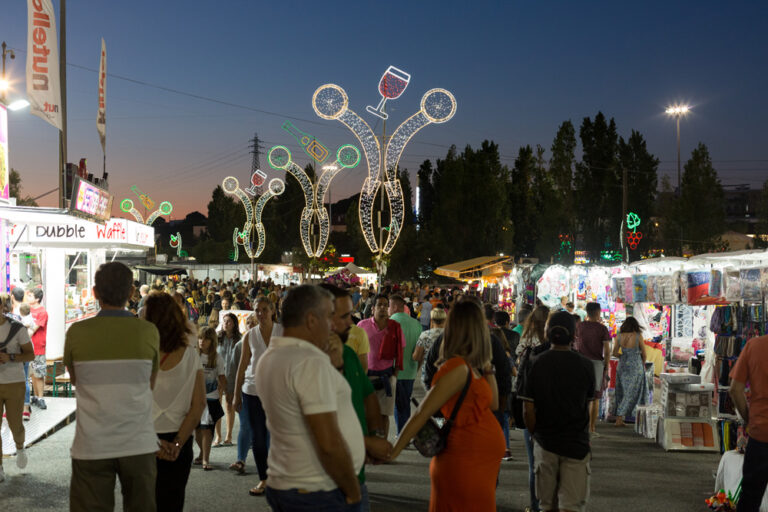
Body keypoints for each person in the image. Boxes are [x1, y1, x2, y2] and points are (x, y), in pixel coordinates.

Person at [256, 285, 364, 510]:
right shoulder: (309, 362)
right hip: (316, 490)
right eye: (328, 316)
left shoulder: (271, 357)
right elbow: (328, 443)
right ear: (312, 320)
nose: (332, 324)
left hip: (289, 483)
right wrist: (353, 491)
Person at [390, 300, 505, 511]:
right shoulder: (457, 368)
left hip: (477, 465)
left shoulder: (471, 367)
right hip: (464, 463)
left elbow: (494, 403)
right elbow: (423, 412)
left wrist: (487, 367)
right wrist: (394, 450)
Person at [64, 262, 161, 512]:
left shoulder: (76, 332)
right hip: (138, 442)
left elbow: (77, 381)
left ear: (95, 292)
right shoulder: (148, 332)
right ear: (131, 293)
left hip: (92, 443)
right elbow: (149, 383)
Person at [320, 284, 391, 512]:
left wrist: (374, 434)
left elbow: (367, 396)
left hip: (355, 476)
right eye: (343, 316)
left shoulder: (348, 353)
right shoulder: (305, 361)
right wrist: (367, 443)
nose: (350, 322)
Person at [520, 311, 595, 512]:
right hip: (576, 443)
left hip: (545, 442)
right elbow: (587, 406)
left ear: (547, 332)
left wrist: (536, 434)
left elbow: (528, 410)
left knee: (546, 506)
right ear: (573, 334)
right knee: (571, 505)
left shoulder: (535, 363)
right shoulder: (586, 365)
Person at [145, 292, 206, 511]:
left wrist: (154, 444)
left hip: (145, 439)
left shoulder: (142, 354)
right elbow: (198, 404)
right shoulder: (190, 354)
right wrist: (177, 444)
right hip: (180, 437)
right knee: (172, 501)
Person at [233, 297, 283, 497]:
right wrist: (236, 395)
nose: (260, 314)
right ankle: (264, 478)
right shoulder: (249, 336)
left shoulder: (283, 332)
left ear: (272, 311)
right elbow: (242, 366)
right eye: (256, 310)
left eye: (264, 309)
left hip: (278, 394)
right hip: (252, 391)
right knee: (259, 439)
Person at [515, 304, 550, 512]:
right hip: (550, 402)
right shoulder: (550, 340)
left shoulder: (527, 335)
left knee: (533, 463)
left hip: (530, 397)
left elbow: (518, 354)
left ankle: (535, 506)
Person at [730, 330, 768, 512]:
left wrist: (748, 418)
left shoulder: (754, 346)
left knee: (750, 497)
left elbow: (735, 389)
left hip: (760, 433)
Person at [358, 294, 405, 438]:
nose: (383, 308)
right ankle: (370, 445)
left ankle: (383, 444)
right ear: (372, 309)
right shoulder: (362, 326)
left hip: (387, 377)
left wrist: (394, 377)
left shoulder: (395, 327)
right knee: (367, 414)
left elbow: (400, 351)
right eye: (380, 305)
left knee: (384, 415)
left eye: (386, 305)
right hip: (367, 377)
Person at [0, 293, 34, 482]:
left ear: (2, 308)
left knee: (15, 423)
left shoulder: (17, 329)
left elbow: (30, 355)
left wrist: (11, 357)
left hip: (14, 382)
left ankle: (19, 447)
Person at [573, 302, 612, 435]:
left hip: (580, 363)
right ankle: (591, 428)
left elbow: (574, 345)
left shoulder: (579, 326)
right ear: (598, 312)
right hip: (596, 364)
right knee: (595, 398)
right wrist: (606, 366)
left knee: (581, 396)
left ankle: (580, 426)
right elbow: (607, 351)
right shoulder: (602, 329)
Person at [389, 294, 422, 434]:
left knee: (398, 405)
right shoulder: (417, 324)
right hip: (411, 371)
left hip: (394, 370)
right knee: (405, 402)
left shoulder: (390, 322)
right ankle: (405, 432)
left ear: (395, 307)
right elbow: (420, 350)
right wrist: (417, 368)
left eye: (389, 306)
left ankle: (402, 433)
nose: (388, 309)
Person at [195, 327, 226, 470]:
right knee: (197, 432)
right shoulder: (193, 355)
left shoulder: (217, 358)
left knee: (207, 429)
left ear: (212, 341)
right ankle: (202, 453)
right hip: (194, 397)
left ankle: (205, 459)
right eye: (200, 338)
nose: (202, 341)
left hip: (211, 398)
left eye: (206, 339)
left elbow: (221, 376)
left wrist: (226, 392)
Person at [612, 317, 647, 427]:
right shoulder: (638, 336)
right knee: (633, 391)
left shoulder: (619, 336)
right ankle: (621, 416)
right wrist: (642, 363)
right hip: (635, 366)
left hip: (622, 365)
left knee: (622, 391)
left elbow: (614, 353)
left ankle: (620, 418)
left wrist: (623, 356)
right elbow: (644, 354)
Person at [214, 313, 241, 447]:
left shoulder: (239, 339)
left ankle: (229, 436)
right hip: (218, 376)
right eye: (224, 321)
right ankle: (218, 436)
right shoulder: (217, 338)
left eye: (229, 321)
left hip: (232, 376)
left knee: (230, 405)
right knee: (216, 406)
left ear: (234, 323)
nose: (226, 324)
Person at [413, 307, 447, 387]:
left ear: (431, 320)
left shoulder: (425, 335)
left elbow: (416, 357)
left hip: (428, 374)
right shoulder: (451, 335)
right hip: (446, 374)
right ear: (445, 320)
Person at [25, 288, 48, 410]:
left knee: (39, 373)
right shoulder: (27, 311)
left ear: (37, 299)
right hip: (28, 347)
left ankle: (41, 397)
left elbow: (34, 328)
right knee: (32, 373)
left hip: (38, 347)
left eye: (30, 296)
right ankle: (35, 396)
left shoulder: (42, 312)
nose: (28, 298)